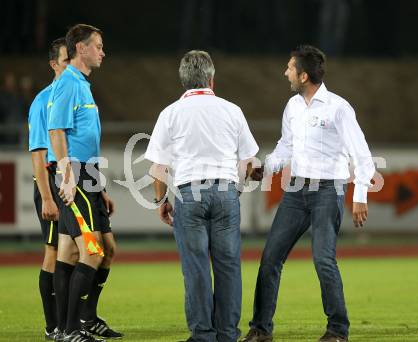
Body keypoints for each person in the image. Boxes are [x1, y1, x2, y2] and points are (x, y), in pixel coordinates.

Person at [242, 45, 375, 342]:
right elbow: (286, 146)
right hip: (296, 190)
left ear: (303, 75)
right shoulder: (293, 106)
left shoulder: (339, 108)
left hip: (329, 190)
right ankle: (261, 329)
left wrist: (361, 194)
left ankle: (338, 331)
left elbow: (362, 155)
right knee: (270, 258)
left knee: (323, 259)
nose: (285, 72)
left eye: (289, 68)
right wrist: (267, 167)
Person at [145, 50, 259, 342]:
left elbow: (158, 168)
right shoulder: (231, 110)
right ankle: (227, 334)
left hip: (188, 194)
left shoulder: (170, 113)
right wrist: (238, 187)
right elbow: (249, 162)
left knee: (195, 268)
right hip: (225, 193)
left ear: (183, 81)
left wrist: (161, 202)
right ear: (211, 78)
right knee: (228, 266)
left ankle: (203, 335)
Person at [47, 24, 122, 342]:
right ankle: (72, 328)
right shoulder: (68, 83)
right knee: (91, 252)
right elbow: (56, 132)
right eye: (99, 46)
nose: (103, 52)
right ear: (81, 48)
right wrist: (67, 174)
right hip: (74, 174)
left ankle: (69, 327)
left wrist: (98, 184)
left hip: (88, 174)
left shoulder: (82, 84)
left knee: (78, 252)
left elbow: (81, 137)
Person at [28, 37, 69, 341]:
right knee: (53, 253)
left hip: (71, 183)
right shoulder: (43, 101)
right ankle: (52, 325)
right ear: (54, 64)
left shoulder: (72, 95)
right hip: (51, 186)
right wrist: (46, 197)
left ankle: (75, 322)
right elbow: (39, 154)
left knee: (79, 251)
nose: (71, 67)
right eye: (66, 61)